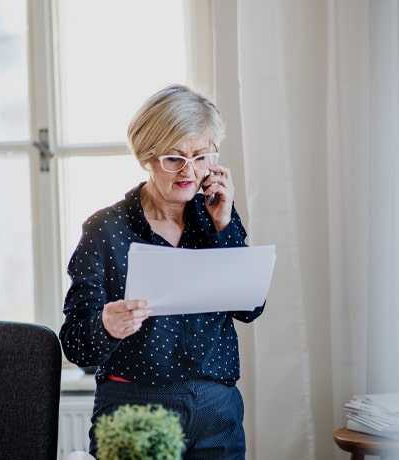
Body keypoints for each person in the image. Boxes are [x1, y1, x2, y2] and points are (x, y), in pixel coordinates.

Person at [59, 84, 265, 459]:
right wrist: (105, 326)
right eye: (175, 158)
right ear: (148, 157)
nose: (190, 171)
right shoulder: (106, 229)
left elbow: (249, 308)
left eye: (202, 157)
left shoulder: (217, 214)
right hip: (134, 405)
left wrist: (224, 227)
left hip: (216, 409)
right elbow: (74, 343)